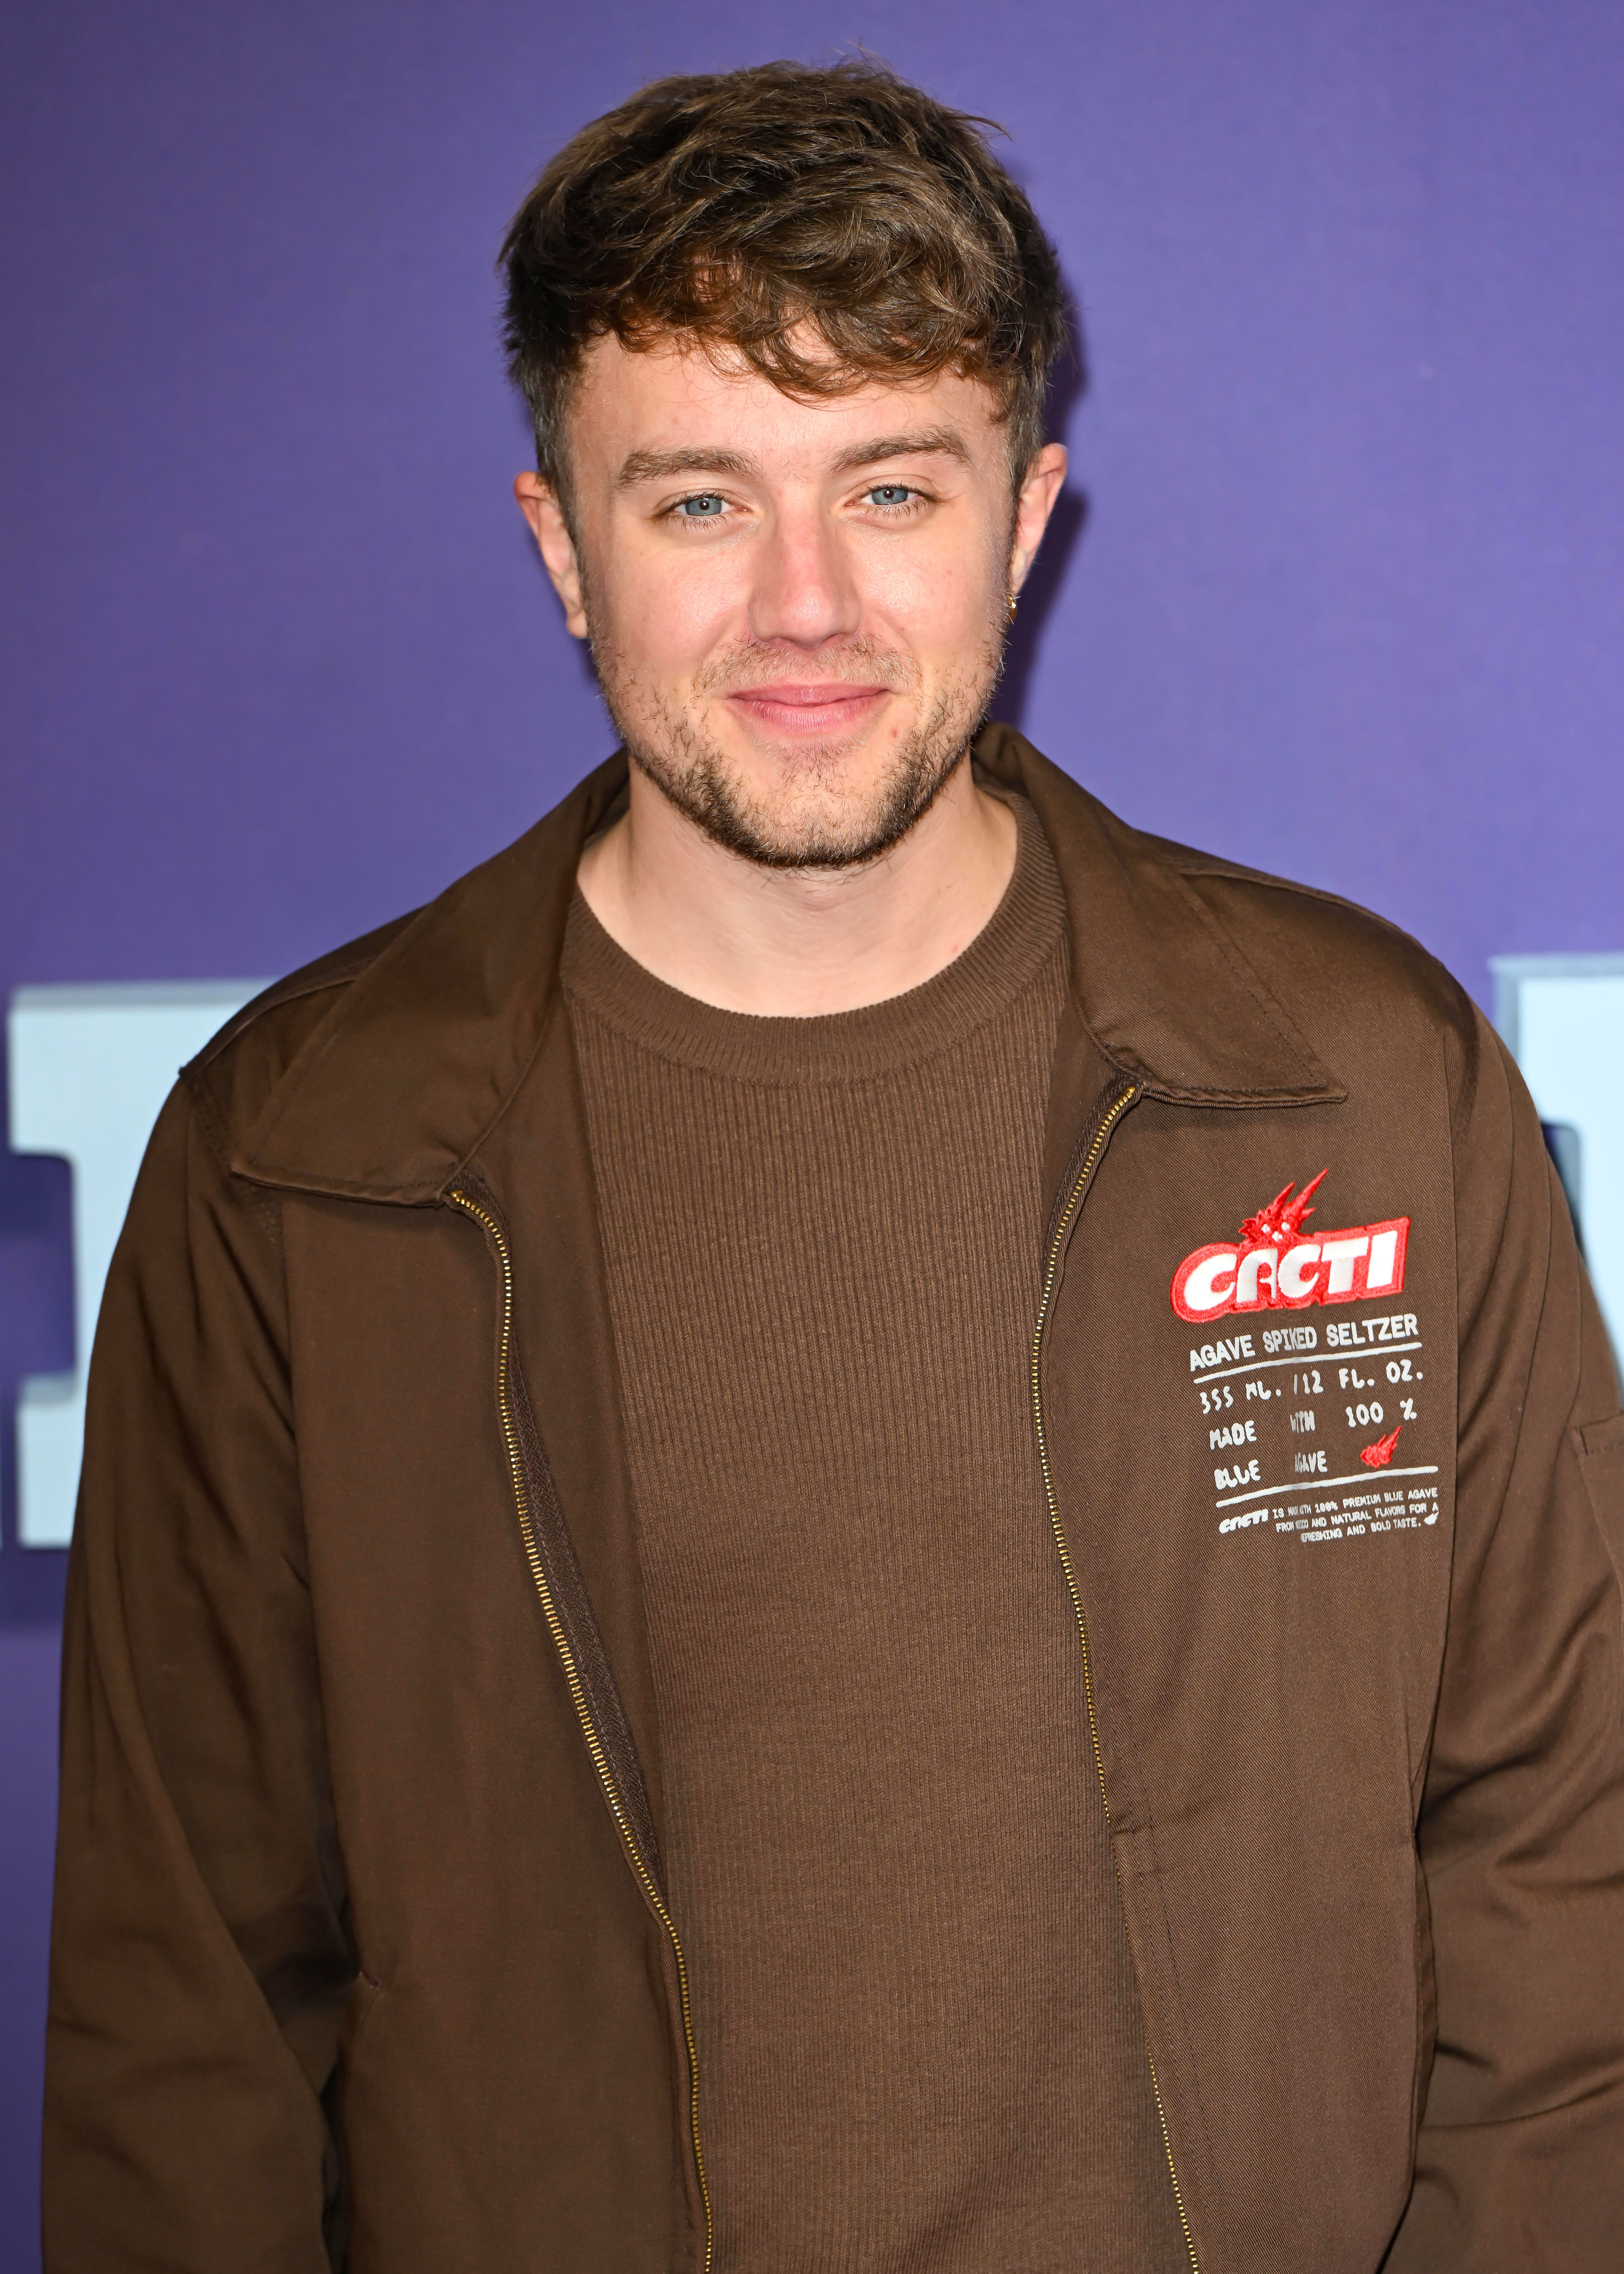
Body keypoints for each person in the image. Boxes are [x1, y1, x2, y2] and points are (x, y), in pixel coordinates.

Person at [43, 57, 1624, 2274]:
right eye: (700, 502)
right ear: (560, 548)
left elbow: (1561, 1878)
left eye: (890, 487)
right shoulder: (295, 1162)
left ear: (1026, 518)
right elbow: (184, 2022)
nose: (805, 606)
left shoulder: (1362, 1085)